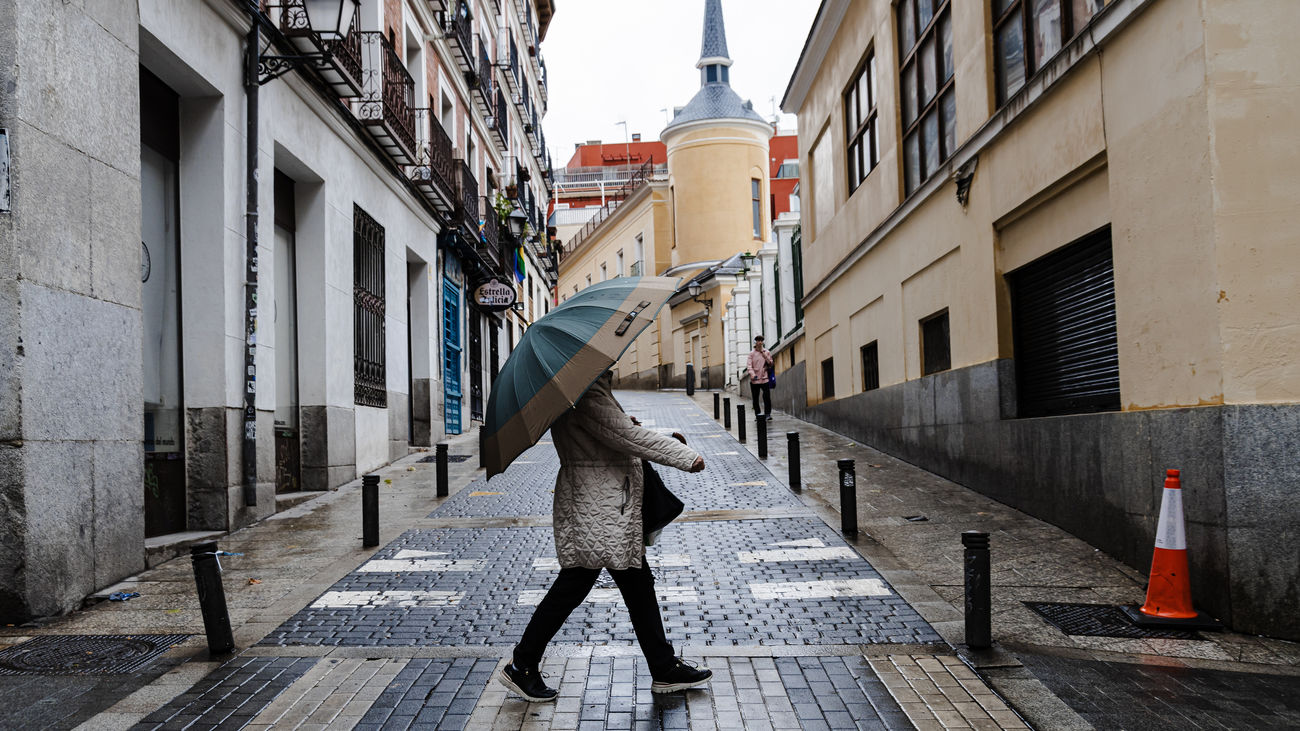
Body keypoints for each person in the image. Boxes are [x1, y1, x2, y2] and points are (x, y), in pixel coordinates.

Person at [499, 372, 713, 702]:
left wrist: (660, 433)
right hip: (600, 503)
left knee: (635, 584)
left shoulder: (576, 386)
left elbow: (611, 432)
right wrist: (684, 456)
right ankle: (523, 663)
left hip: (604, 502)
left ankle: (663, 666)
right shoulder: (583, 387)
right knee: (575, 584)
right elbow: (623, 434)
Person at [747, 335, 774, 420]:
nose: (760, 342)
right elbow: (749, 366)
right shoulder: (751, 354)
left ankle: (767, 414)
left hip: (764, 378)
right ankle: (757, 414)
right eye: (758, 341)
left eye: (761, 341)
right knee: (755, 399)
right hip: (755, 380)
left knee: (767, 398)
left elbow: (770, 363)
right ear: (756, 342)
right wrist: (753, 375)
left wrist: (763, 353)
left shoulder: (767, 352)